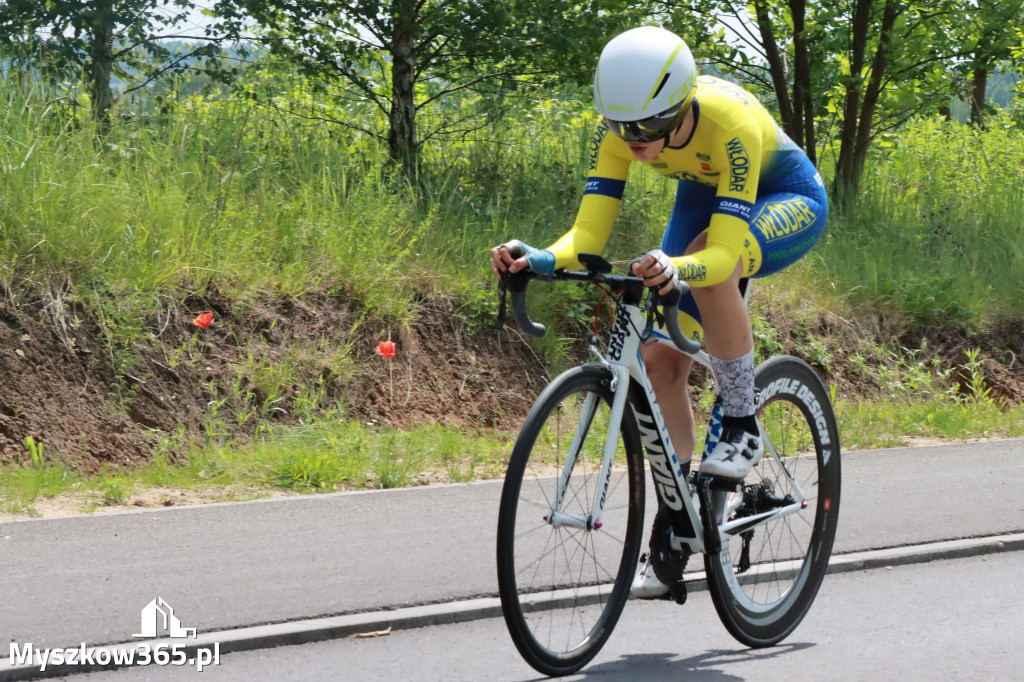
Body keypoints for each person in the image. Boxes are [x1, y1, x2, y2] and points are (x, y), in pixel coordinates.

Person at [490, 25, 828, 598]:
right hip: (703, 194)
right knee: (659, 361)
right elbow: (587, 235)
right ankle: (682, 514)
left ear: (681, 101)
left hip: (784, 197)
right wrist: (540, 257)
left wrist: (679, 270)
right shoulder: (623, 128)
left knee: (705, 261)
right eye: (623, 128)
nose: (635, 141)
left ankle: (742, 422)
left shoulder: (729, 124)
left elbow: (720, 254)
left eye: (648, 128)